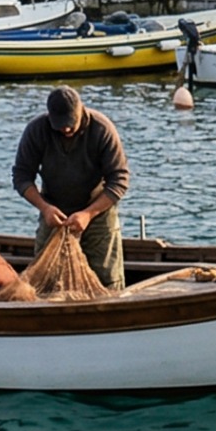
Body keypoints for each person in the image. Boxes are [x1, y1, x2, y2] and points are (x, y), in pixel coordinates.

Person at [12, 85, 129, 291]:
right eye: (59, 125)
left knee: (106, 278)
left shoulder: (102, 129)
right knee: (43, 277)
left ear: (81, 111)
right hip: (54, 212)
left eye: (70, 124)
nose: (65, 129)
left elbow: (119, 180)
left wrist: (88, 214)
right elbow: (22, 176)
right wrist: (44, 208)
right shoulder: (36, 130)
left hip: (98, 212)